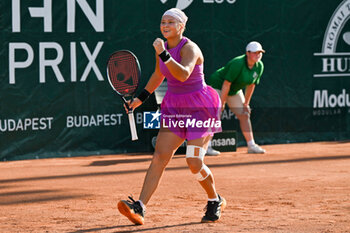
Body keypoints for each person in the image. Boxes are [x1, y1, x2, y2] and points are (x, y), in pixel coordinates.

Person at [117, 8, 226, 225]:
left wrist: (163, 53)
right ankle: (140, 207)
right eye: (162, 22)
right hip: (175, 107)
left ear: (181, 26)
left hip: (200, 108)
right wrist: (140, 99)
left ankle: (215, 199)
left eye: (170, 22)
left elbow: (183, 74)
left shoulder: (190, 48)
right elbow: (160, 74)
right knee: (159, 157)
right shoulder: (163, 48)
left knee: (194, 161)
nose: (165, 25)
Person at [207, 41, 266, 154]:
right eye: (255, 53)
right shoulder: (237, 63)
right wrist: (222, 103)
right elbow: (226, 84)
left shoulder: (259, 66)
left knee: (244, 114)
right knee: (215, 113)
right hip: (218, 86)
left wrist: (246, 104)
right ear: (247, 53)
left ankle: (251, 145)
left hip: (234, 90)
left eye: (260, 53)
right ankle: (207, 147)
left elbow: (251, 85)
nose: (258, 55)